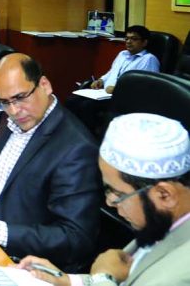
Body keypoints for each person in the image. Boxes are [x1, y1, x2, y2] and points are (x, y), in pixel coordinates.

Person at [0, 53, 102, 272]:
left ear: (44, 85)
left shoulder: (77, 148)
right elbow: (0, 186)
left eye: (21, 97)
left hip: (27, 265)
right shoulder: (18, 122)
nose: (14, 110)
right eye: (4, 102)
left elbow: (75, 239)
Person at [18, 113, 190, 286]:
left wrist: (103, 278)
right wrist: (69, 281)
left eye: (118, 193)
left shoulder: (181, 274)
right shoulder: (163, 218)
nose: (110, 202)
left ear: (164, 195)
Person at [66, 25, 160, 133]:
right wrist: (101, 81)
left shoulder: (149, 59)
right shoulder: (122, 54)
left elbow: (146, 87)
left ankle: (89, 138)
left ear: (144, 42)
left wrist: (118, 89)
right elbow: (111, 73)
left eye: (134, 39)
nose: (128, 42)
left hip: (123, 99)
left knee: (87, 106)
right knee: (71, 100)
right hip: (103, 94)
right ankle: (73, 134)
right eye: (127, 38)